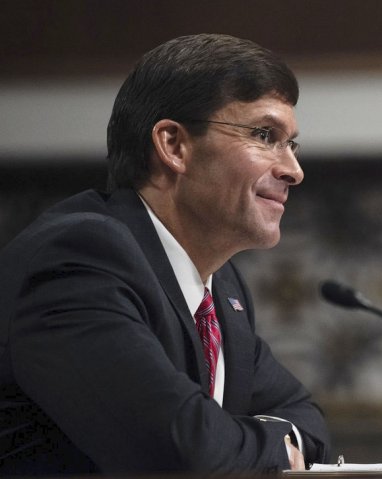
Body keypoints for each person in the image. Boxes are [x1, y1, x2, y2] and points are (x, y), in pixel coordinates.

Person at [0, 34, 329, 474]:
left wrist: (239, 440)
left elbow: (307, 419)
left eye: (292, 144)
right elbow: (179, 451)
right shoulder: (80, 260)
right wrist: (274, 446)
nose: (293, 170)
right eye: (265, 135)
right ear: (174, 145)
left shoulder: (223, 289)